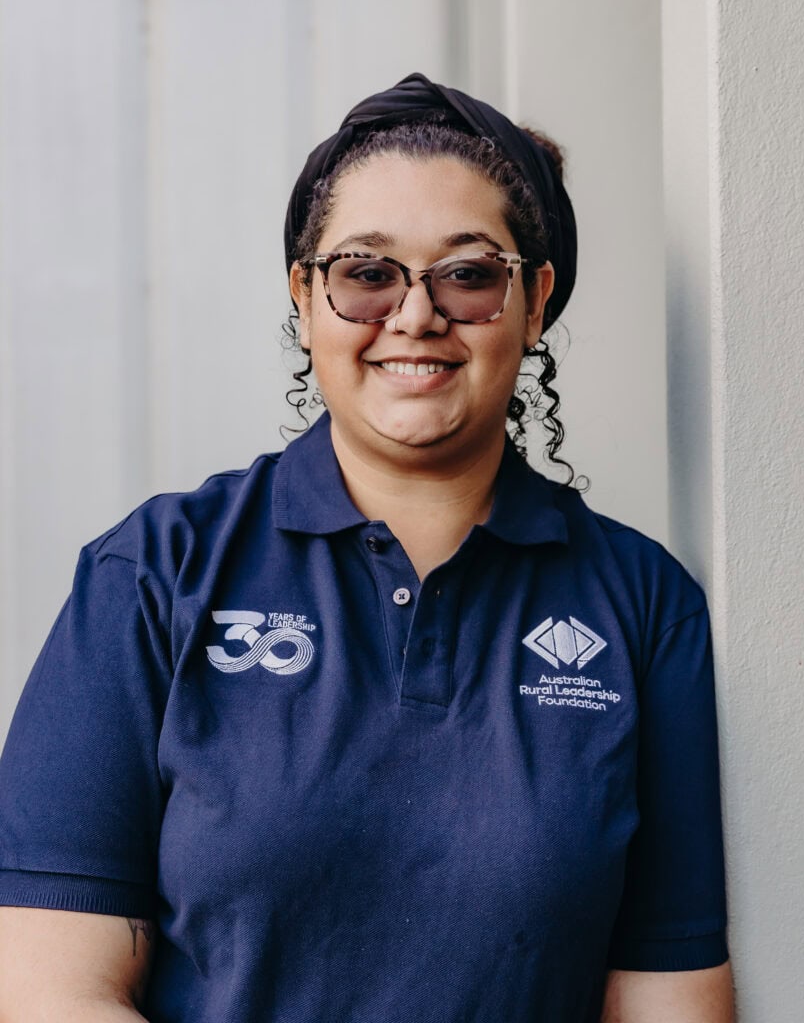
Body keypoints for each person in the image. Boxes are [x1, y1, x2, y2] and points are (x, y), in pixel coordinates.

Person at [0, 73, 733, 1021]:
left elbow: (671, 999)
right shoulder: (153, 575)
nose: (416, 315)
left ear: (535, 300)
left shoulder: (643, 605)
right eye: (367, 274)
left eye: (470, 275)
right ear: (306, 297)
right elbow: (49, 989)